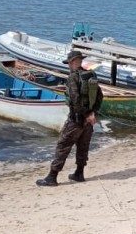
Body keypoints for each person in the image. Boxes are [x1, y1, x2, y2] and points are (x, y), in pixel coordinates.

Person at [36, 50, 103, 187]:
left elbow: (75, 100)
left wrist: (85, 114)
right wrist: (92, 114)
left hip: (76, 119)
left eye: (69, 63)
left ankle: (52, 177)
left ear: (72, 62)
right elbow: (100, 96)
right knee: (83, 146)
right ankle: (79, 173)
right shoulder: (91, 74)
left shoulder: (73, 77)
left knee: (63, 145)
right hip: (89, 120)